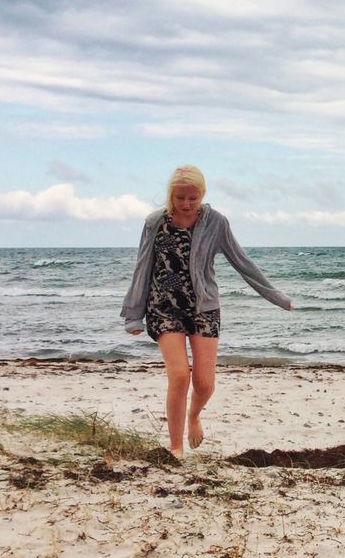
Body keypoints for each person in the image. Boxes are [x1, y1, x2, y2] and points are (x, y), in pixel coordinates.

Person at [121, 165, 292, 458]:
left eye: (193, 198)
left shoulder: (216, 223)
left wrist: (276, 296)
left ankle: (194, 415)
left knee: (204, 383)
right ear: (170, 196)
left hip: (204, 308)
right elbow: (142, 268)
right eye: (180, 198)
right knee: (178, 376)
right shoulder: (154, 223)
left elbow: (243, 262)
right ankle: (176, 449)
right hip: (164, 308)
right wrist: (134, 314)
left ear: (202, 195)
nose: (186, 204)